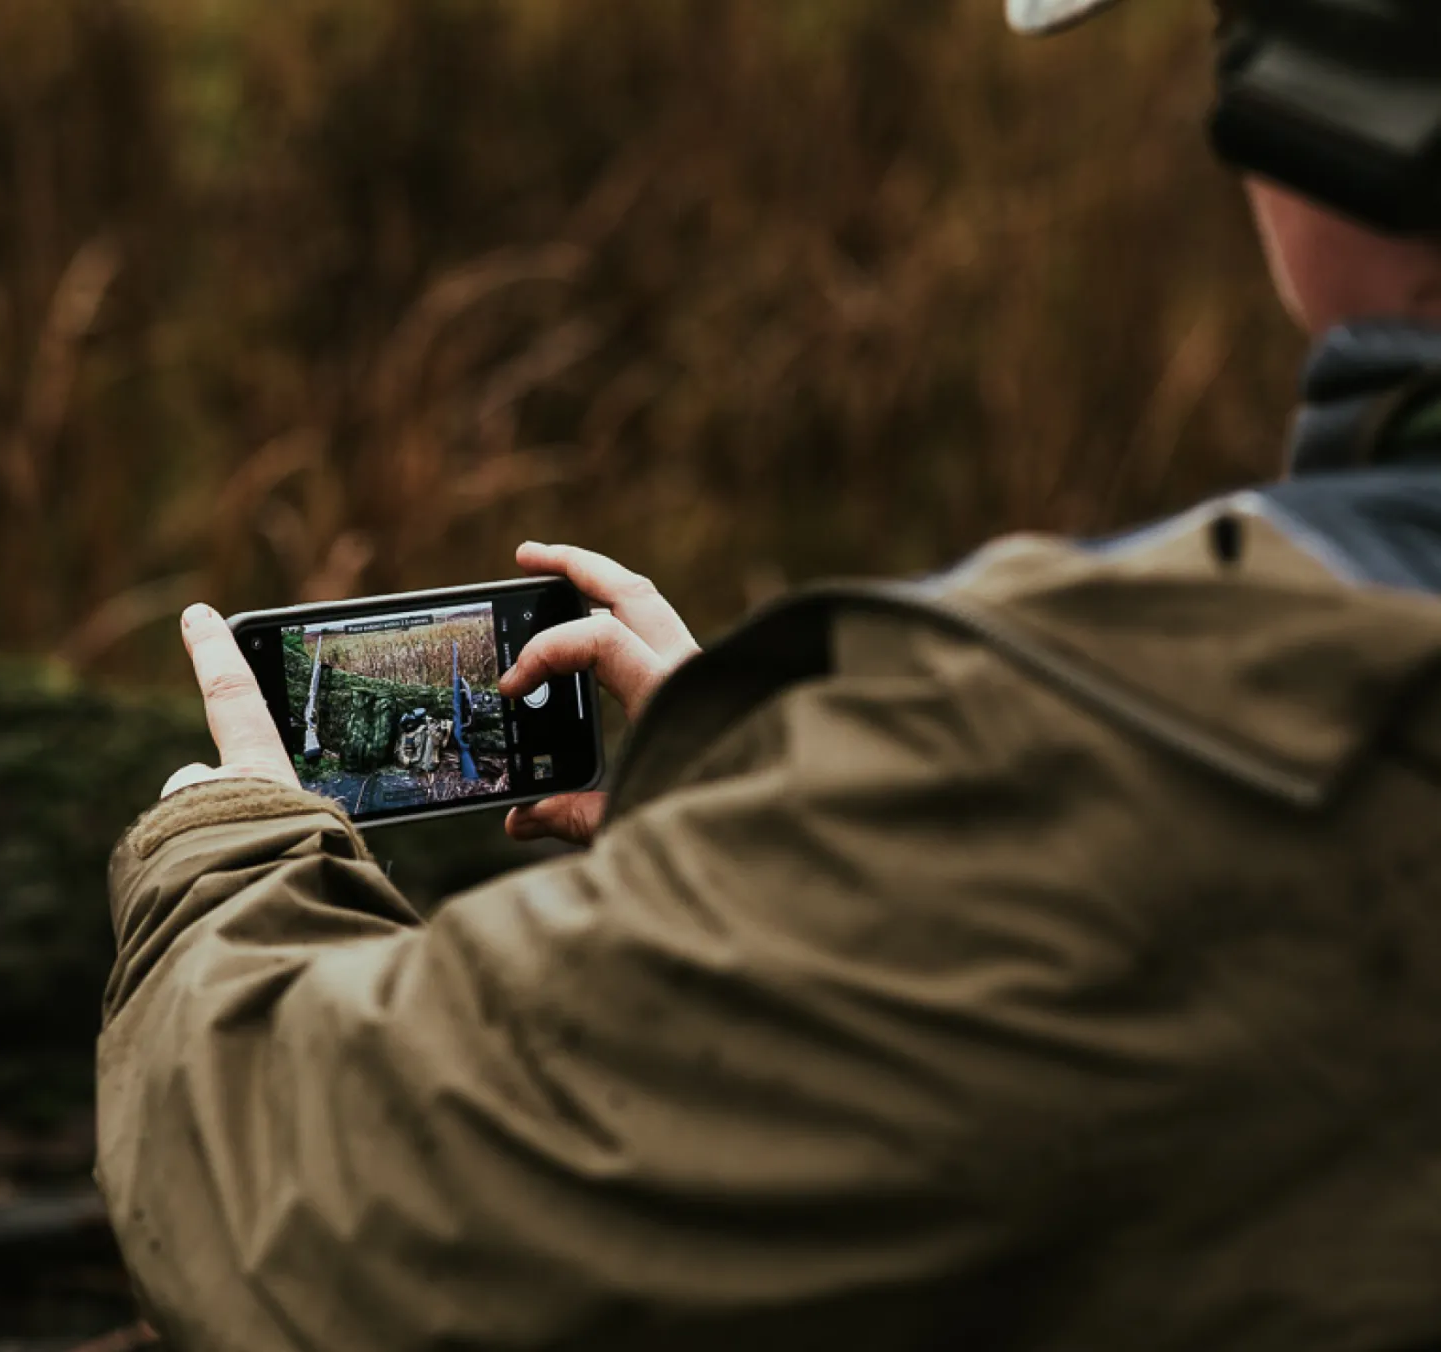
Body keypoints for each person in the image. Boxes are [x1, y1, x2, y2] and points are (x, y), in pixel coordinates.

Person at [97, 3, 1441, 1348]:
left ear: (1331, 104)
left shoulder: (1136, 745)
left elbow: (325, 1218)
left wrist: (223, 861)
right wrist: (792, 847)